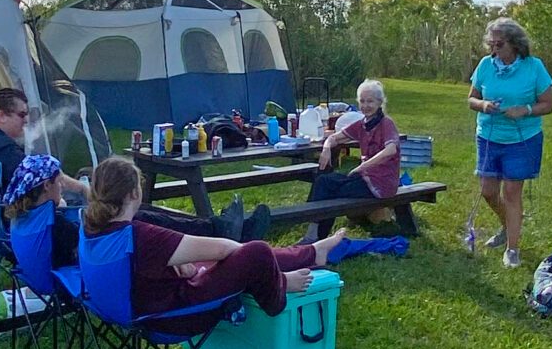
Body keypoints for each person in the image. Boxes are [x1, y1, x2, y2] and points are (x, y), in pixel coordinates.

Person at [0, 88, 255, 239]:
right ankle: (216, 229)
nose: (27, 120)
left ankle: (216, 227)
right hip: (37, 227)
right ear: (1, 116)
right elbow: (46, 174)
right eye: (21, 115)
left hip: (22, 224)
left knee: (133, 210)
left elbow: (43, 176)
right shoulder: (3, 150)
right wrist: (80, 192)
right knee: (132, 214)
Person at [82, 157, 341, 324]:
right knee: (256, 252)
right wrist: (262, 267)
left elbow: (138, 268)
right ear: (135, 192)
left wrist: (178, 265)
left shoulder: (91, 227)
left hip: (128, 308)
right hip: (171, 316)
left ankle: (312, 252)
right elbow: (223, 247)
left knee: (218, 257)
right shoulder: (139, 235)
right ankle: (281, 286)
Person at [468, 16, 552, 269]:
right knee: (488, 191)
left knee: (512, 193)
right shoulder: (485, 65)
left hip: (521, 139)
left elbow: (548, 104)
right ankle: (508, 226)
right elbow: (471, 99)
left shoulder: (534, 67)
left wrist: (525, 109)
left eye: (500, 44)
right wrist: (483, 105)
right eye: (491, 44)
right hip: (488, 137)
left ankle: (512, 249)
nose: (494, 50)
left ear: (515, 44)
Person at [300, 79, 401, 240]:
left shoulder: (386, 123)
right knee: (323, 181)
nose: (365, 106)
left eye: (370, 101)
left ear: (379, 103)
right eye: (362, 101)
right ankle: (315, 233)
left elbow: (390, 150)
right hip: (364, 178)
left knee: (328, 189)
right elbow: (334, 138)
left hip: (380, 185)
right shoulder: (362, 124)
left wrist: (362, 166)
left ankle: (315, 236)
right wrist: (326, 148)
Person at [1, 153, 76, 266]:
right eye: (59, 181)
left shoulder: (17, 218)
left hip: (35, 279)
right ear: (46, 185)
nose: (62, 186)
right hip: (62, 280)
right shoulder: (56, 225)